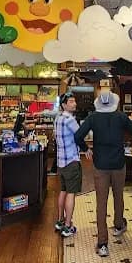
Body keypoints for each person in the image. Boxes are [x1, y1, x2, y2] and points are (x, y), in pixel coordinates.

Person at [74, 91, 132, 257]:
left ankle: (102, 243)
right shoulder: (121, 116)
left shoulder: (93, 117)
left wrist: (86, 149)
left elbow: (77, 136)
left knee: (101, 202)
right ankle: (119, 226)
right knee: (118, 196)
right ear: (114, 102)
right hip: (119, 164)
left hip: (100, 165)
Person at [54, 92, 82, 237]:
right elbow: (80, 135)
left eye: (74, 100)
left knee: (63, 190)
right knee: (71, 193)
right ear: (64, 104)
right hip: (71, 160)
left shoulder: (58, 118)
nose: (74, 103)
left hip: (61, 161)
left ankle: (59, 221)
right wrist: (87, 148)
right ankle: (68, 226)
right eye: (71, 101)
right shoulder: (69, 119)